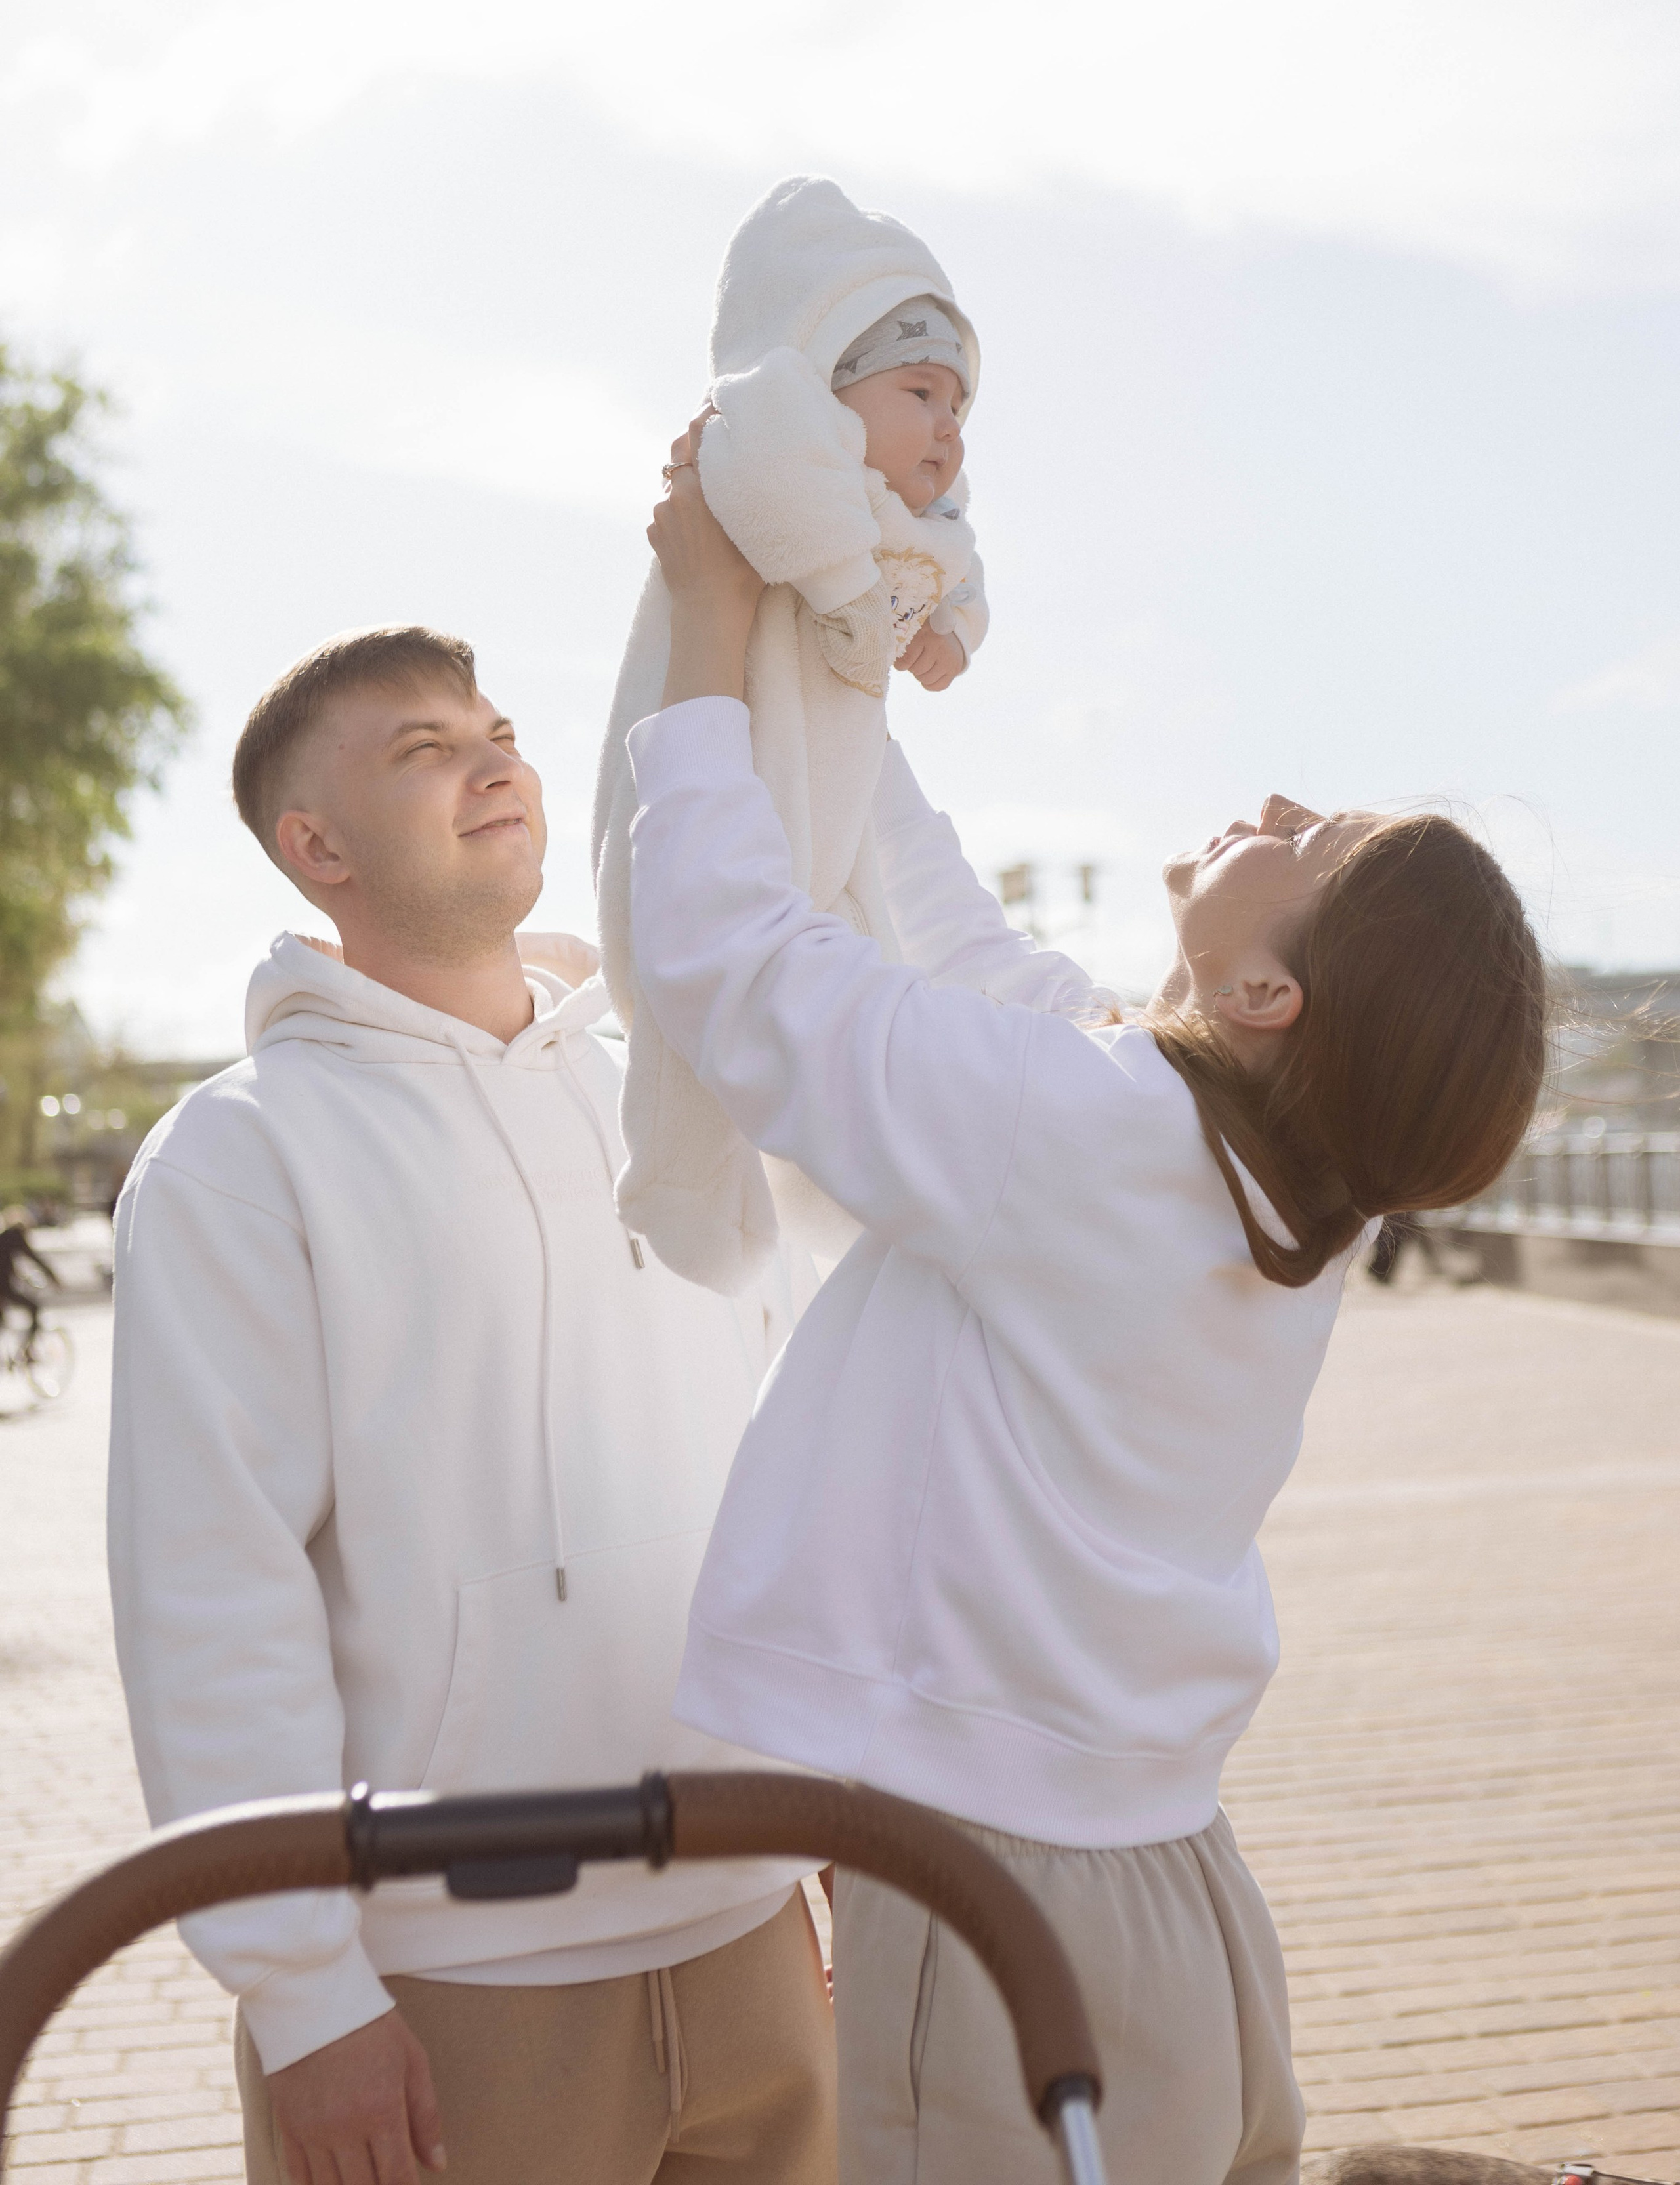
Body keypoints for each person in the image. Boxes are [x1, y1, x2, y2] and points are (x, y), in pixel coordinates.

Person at [618, 446, 1548, 2185]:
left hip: (998, 1902)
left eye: (1310, 840)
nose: (1269, 802)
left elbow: (734, 970)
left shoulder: (1097, 1134)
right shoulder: (1256, 1170)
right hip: (1175, 1881)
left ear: (1270, 992)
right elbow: (958, 947)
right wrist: (839, 661)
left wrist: (707, 617)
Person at [108, 625, 835, 2185]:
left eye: (495, 726)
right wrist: (305, 1998)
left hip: (747, 1923)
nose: (492, 756)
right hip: (454, 1986)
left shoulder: (661, 1092)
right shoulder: (241, 1155)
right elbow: (209, 1585)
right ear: (317, 846)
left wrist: (820, 1817)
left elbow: (778, 1458)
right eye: (422, 748)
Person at [593, 177, 990, 1295]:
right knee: (685, 973)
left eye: (961, 407)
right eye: (920, 391)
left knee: (851, 964)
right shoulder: (776, 426)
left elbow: (961, 569)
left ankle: (817, 1195)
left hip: (836, 797)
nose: (948, 431)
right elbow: (769, 470)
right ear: (833, 375)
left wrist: (955, 630)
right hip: (721, 748)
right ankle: (677, 1185)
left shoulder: (915, 516)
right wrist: (846, 589)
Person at [0, 1210, 57, 1331]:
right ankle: (26, 1348)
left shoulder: (4, 1238)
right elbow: (33, 1257)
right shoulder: (15, 1236)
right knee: (34, 1308)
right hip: (4, 1287)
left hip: (4, 1287)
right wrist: (52, 1276)